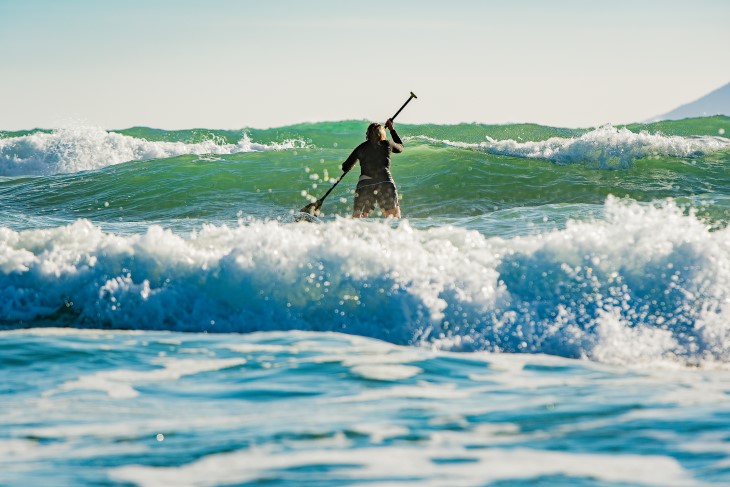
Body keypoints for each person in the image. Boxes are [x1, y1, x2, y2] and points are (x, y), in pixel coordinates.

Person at [341, 118, 404, 218]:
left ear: (367, 135)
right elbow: (400, 147)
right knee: (394, 218)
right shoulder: (387, 144)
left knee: (357, 218)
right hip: (385, 182)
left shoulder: (361, 148)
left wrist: (354, 162)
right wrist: (392, 129)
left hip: (364, 185)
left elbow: (345, 167)